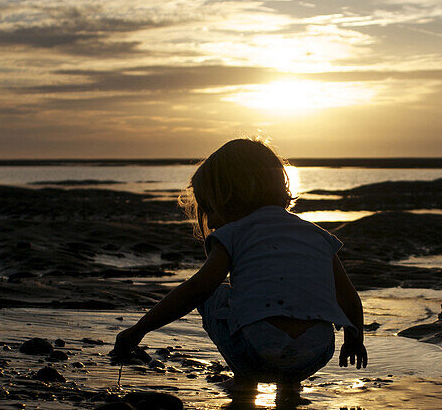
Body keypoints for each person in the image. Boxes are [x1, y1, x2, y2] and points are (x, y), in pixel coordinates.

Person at [113, 138, 367, 384]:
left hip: (256, 351)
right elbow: (348, 297)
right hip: (316, 352)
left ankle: (245, 384)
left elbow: (197, 290)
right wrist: (354, 339)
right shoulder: (317, 235)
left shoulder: (234, 233)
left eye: (210, 208)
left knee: (214, 295)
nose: (210, 222)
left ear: (229, 196)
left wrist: (139, 330)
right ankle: (289, 395)